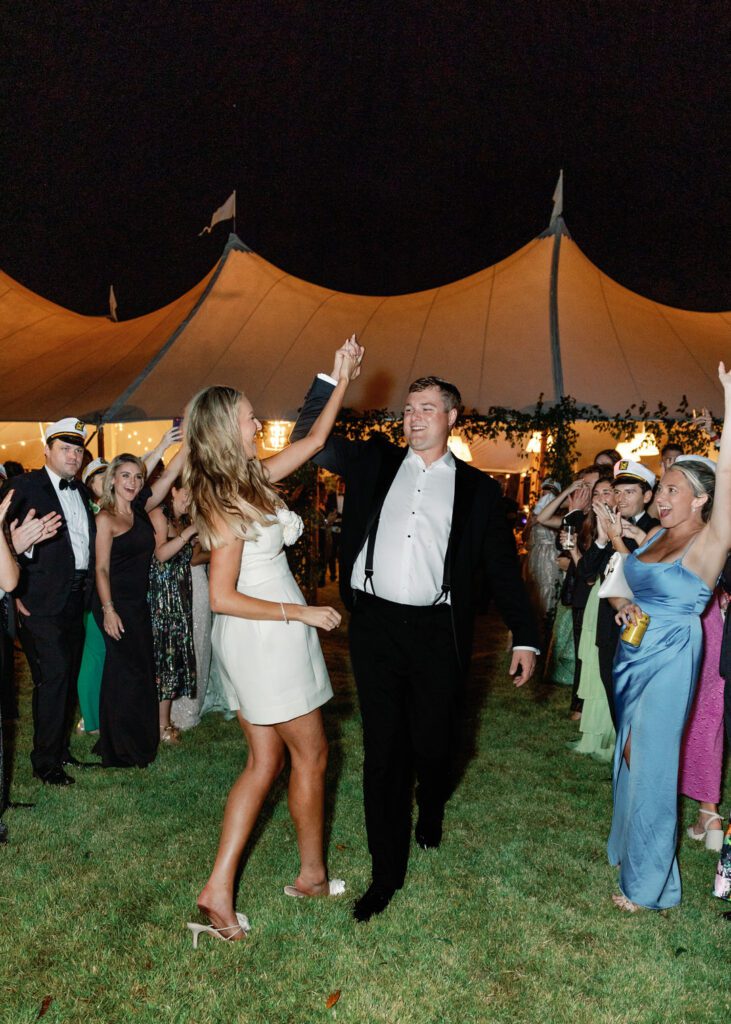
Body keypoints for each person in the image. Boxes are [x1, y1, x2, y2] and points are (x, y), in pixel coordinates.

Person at [291, 369, 539, 922]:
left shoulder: (478, 490)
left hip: (437, 631)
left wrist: (526, 636)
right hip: (376, 627)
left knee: (437, 742)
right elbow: (308, 435)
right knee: (384, 750)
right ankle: (386, 874)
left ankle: (431, 804)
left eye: (428, 407)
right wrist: (333, 377)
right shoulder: (373, 462)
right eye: (409, 408)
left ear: (452, 418)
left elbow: (502, 569)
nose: (414, 416)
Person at [186, 336, 364, 945]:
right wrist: (304, 613)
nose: (258, 420)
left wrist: (340, 377)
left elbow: (313, 443)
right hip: (268, 635)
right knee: (309, 755)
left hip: (265, 636)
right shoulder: (228, 500)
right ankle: (308, 876)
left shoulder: (250, 479)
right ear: (223, 429)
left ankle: (223, 889)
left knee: (266, 761)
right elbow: (221, 596)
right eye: (247, 416)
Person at [608, 362, 731, 912]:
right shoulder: (657, 534)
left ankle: (650, 885)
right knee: (632, 754)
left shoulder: (709, 542)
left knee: (655, 764)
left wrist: (729, 409)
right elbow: (643, 581)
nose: (662, 495)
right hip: (632, 650)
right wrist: (619, 551)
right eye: (663, 487)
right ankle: (631, 849)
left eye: (674, 489)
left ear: (701, 499)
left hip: (674, 654)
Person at [1, 419, 96, 785]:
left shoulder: (82, 490)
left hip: (76, 599)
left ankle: (58, 750)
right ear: (47, 451)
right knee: (54, 677)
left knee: (67, 675)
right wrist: (16, 592)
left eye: (78, 449)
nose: (74, 455)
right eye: (65, 449)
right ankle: (45, 762)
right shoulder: (23, 486)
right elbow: (4, 541)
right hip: (39, 601)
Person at [94, 443, 186, 768]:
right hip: (113, 602)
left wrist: (190, 439)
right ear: (113, 481)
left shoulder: (141, 507)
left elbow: (173, 470)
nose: (132, 482)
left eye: (136, 476)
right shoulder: (105, 518)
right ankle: (119, 749)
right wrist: (108, 609)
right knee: (125, 671)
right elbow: (101, 569)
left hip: (137, 603)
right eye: (125, 476)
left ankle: (127, 739)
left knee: (138, 670)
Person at [583, 460, 658, 727]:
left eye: (629, 492)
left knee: (640, 700)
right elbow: (586, 573)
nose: (621, 498)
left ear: (647, 495)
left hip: (642, 624)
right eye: (618, 491)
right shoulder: (609, 523)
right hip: (609, 626)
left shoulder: (656, 529)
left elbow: (650, 578)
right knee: (614, 694)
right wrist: (603, 539)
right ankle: (622, 762)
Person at [148, 480, 198, 743]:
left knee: (174, 657)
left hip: (179, 598)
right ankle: (160, 724)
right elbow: (160, 555)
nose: (190, 498)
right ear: (173, 491)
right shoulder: (160, 514)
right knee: (163, 658)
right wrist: (188, 534)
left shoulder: (182, 520)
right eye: (186, 492)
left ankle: (162, 722)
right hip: (160, 599)